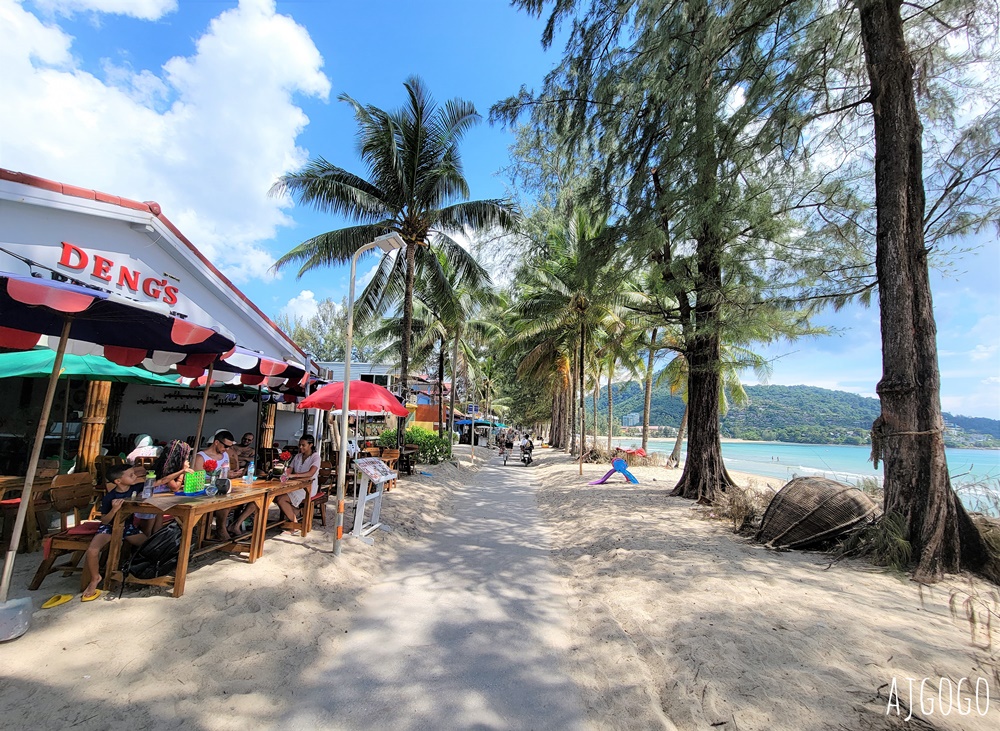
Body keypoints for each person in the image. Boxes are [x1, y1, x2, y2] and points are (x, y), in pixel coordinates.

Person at [81, 464, 148, 601]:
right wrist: (114, 510)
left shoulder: (136, 487)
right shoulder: (109, 497)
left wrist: (181, 471)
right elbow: (105, 520)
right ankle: (95, 578)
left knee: (149, 544)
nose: (135, 477)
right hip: (109, 527)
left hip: (127, 526)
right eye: (131, 475)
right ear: (118, 481)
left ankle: (140, 572)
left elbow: (159, 482)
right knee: (92, 550)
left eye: (134, 474)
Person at [194, 429, 234, 541]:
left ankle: (231, 526)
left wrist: (232, 474)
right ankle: (221, 529)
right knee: (225, 502)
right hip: (203, 491)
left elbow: (226, 473)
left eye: (229, 447)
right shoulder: (201, 457)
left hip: (221, 489)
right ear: (216, 442)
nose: (227, 449)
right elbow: (198, 480)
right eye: (225, 446)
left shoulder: (225, 455)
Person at [275, 434, 321, 526]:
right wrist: (283, 471)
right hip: (295, 485)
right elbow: (290, 468)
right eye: (299, 445)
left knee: (281, 499)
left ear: (310, 445)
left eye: (303, 445)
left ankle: (294, 524)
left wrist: (293, 475)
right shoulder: (298, 456)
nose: (300, 447)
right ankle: (295, 511)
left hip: (308, 487)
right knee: (274, 495)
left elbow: (311, 473)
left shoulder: (315, 457)